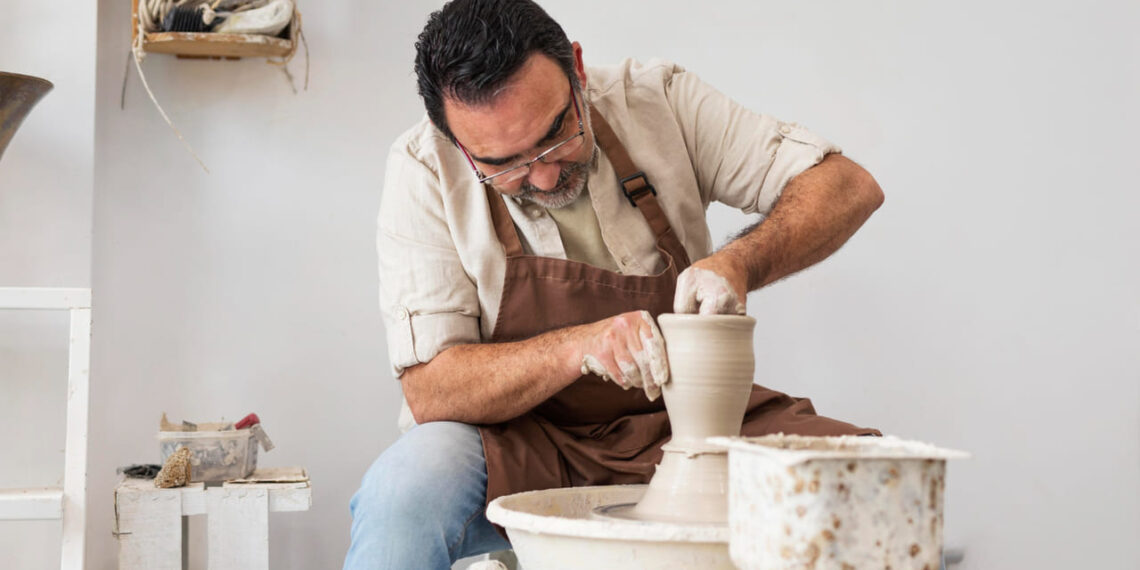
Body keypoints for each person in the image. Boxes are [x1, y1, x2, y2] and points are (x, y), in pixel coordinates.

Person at [344, 0, 884, 567]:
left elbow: (847, 186)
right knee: (402, 490)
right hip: (519, 440)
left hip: (681, 425)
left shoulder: (656, 100)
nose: (546, 175)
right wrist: (579, 347)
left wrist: (737, 263)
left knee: (871, 482)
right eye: (506, 165)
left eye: (556, 135)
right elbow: (433, 389)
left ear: (576, 70)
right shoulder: (423, 168)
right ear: (454, 138)